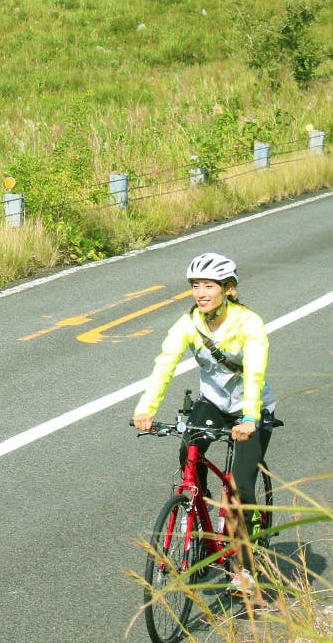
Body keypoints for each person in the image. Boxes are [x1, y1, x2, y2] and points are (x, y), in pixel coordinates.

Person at [132, 251, 276, 593]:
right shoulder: (189, 323)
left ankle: (245, 566)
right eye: (196, 286)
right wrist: (146, 408)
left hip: (251, 410)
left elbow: (255, 373)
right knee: (189, 457)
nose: (201, 293)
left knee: (240, 485)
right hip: (212, 403)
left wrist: (250, 417)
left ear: (229, 289)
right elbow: (165, 363)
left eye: (209, 285)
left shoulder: (249, 324)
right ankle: (196, 514)